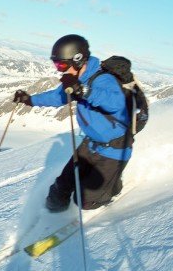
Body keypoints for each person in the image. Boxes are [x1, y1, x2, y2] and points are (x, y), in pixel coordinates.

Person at [13, 34, 132, 212]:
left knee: (84, 201)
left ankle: (113, 189)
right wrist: (29, 100)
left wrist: (83, 91)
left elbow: (116, 103)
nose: (59, 70)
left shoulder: (104, 80)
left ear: (78, 60)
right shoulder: (76, 81)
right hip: (89, 145)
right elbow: (57, 96)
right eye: (56, 64)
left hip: (114, 150)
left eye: (61, 65)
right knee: (60, 189)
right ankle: (49, 220)